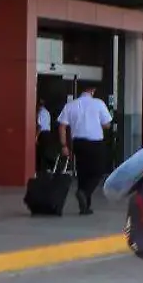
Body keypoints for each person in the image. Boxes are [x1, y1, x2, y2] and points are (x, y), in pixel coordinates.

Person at [59, 82, 115, 215]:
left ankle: (85, 207)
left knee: (82, 173)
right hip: (95, 143)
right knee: (98, 171)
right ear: (93, 90)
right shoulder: (99, 103)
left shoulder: (70, 105)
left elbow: (62, 126)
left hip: (78, 143)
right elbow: (107, 124)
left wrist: (63, 145)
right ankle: (84, 192)